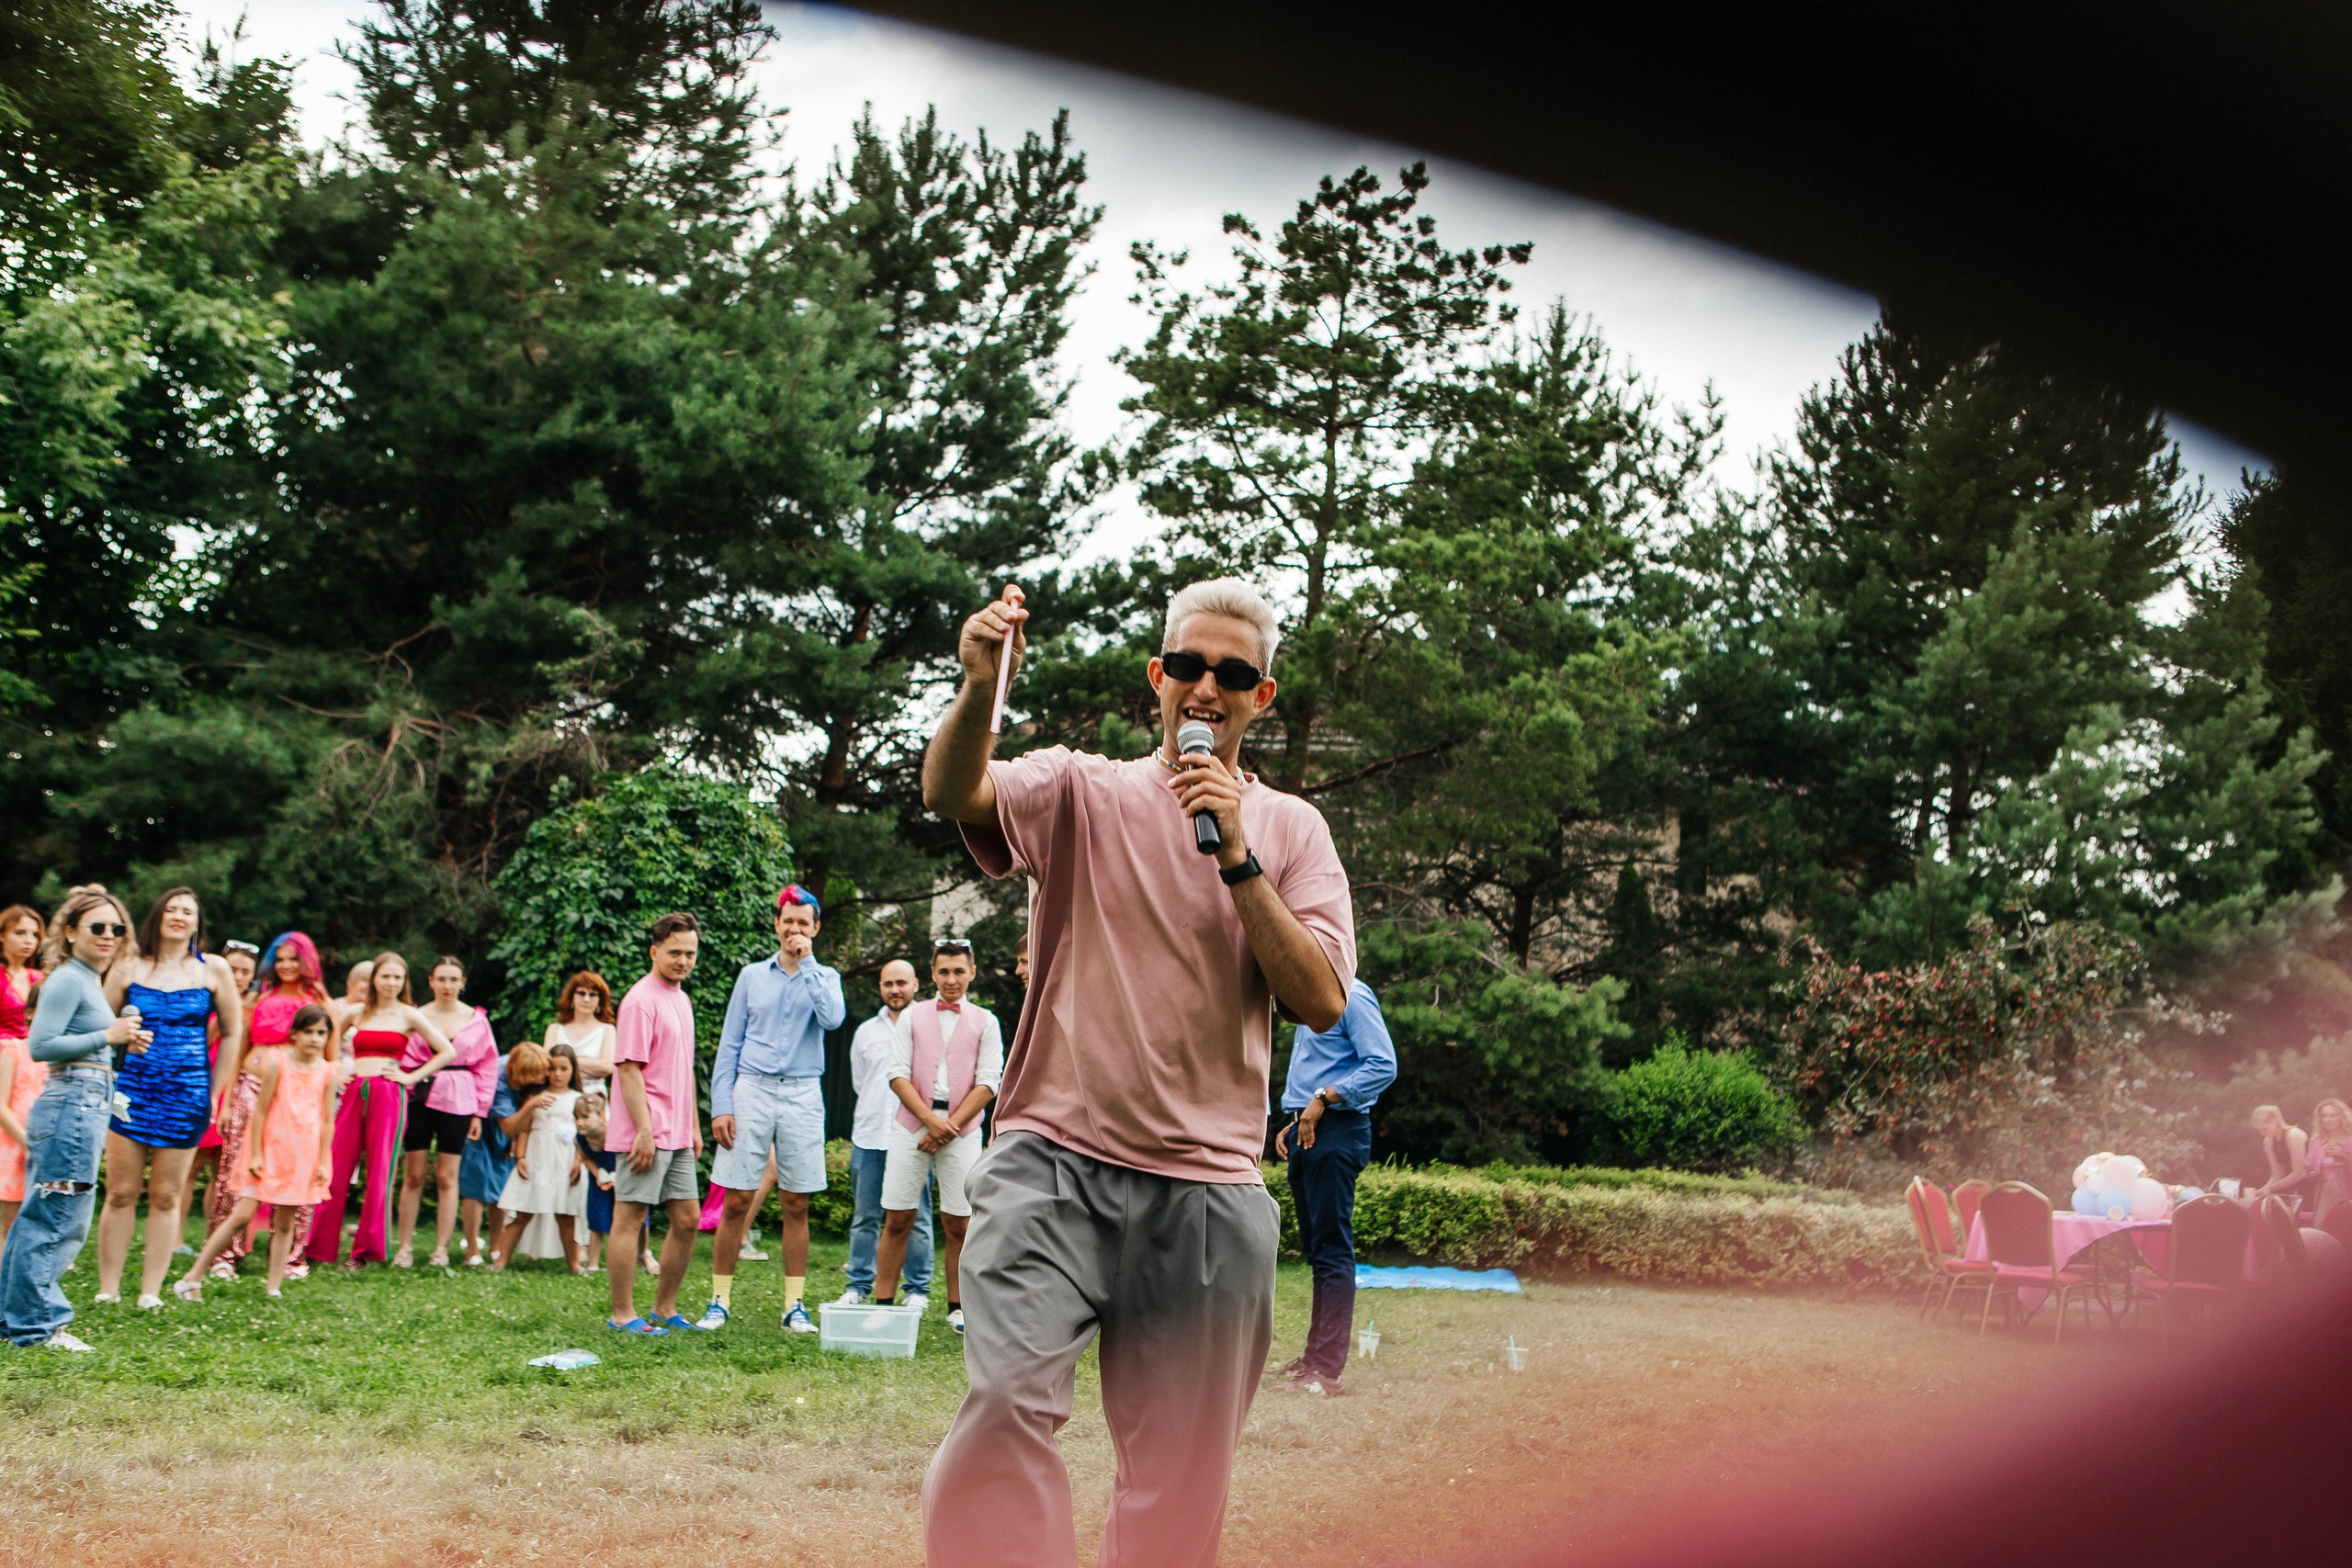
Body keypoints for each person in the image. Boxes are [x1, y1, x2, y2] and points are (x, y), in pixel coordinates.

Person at [919, 578, 1355, 1568]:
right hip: (1051, 1169)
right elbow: (954, 791)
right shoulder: (1081, 788)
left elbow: (1323, 1000)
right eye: (1190, 666)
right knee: (1000, 1412)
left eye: (1232, 673)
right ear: (1157, 678)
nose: (1208, 687)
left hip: (1207, 1197)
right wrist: (976, 689)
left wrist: (1238, 857)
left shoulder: (1293, 833)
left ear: (1261, 696)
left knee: (1178, 1486)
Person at [1, 886, 149, 1351]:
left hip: (84, 1100)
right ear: (69, 932)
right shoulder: (68, 978)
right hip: (70, 1104)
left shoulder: (87, 980)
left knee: (48, 1214)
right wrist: (107, 1033)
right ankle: (36, 1328)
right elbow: (41, 1046)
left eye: (117, 928)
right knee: (57, 1215)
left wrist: (116, 1042)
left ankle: (16, 1321)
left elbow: (81, 1043)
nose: (109, 935)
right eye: (97, 927)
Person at [699, 886, 844, 1334]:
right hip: (752, 1090)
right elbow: (730, 1045)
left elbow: (833, 1019)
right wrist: (722, 1105)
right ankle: (719, 1301)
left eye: (803, 923)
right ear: (777, 924)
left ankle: (793, 1306)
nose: (794, 929)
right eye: (788, 921)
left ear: (815, 928)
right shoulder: (751, 976)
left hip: (802, 1092)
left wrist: (810, 966)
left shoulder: (826, 976)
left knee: (795, 1202)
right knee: (738, 1198)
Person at [96, 887, 245, 1308]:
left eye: (188, 911)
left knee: (166, 1194)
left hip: (187, 1094)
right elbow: (100, 1027)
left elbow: (234, 1033)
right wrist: (116, 1052)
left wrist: (217, 1093)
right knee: (121, 1192)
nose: (179, 916)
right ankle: (108, 1289)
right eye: (172, 910)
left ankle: (150, 1292)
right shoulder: (127, 967)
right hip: (129, 1091)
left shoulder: (213, 969)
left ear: (197, 923)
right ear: (158, 917)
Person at [1266, 979, 1396, 1396]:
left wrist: (1323, 1097)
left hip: (1338, 1130)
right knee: (1319, 1253)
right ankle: (1313, 1359)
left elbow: (1382, 1064)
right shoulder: (1313, 997)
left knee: (1333, 1250)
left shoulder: (1351, 996)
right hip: (1312, 1131)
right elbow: (1320, 1067)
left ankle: (1326, 1372)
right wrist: (1297, 1118)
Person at [871, 939, 1002, 1334]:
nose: (951, 979)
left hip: (961, 1130)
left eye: (959, 971)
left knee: (959, 1222)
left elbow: (989, 1081)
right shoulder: (912, 1017)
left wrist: (949, 1128)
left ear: (972, 973)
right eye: (944, 971)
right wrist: (929, 1121)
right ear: (932, 975)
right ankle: (883, 1303)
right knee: (898, 1216)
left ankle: (957, 1307)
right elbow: (897, 1074)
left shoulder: (986, 1021)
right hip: (912, 1125)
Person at [175, 1004, 340, 1302]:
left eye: (321, 1033)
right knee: (241, 1215)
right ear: (294, 1035)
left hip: (303, 1154)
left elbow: (327, 1120)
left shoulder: (329, 1071)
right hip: (270, 1151)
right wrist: (257, 1155)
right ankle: (192, 1276)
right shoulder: (278, 1063)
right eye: (309, 1032)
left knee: (286, 1221)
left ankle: (273, 1286)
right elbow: (261, 1112)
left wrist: (323, 1160)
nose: (315, 1039)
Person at [308, 953, 451, 1269]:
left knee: (380, 1173)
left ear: (404, 982)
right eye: (385, 976)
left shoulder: (409, 1015)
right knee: (336, 1167)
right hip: (355, 1089)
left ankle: (363, 1253)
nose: (391, 983)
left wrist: (412, 1077)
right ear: (374, 979)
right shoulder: (357, 1012)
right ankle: (316, 1248)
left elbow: (447, 1050)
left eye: (397, 978)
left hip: (389, 1094)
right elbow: (322, 1038)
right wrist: (335, 1069)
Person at [605, 912, 706, 1335]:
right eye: (675, 952)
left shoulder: (680, 998)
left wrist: (694, 1126)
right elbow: (629, 1070)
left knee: (688, 1219)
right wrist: (644, 1130)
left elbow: (682, 1069)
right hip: (645, 1130)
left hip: (678, 1131)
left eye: (690, 953)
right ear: (654, 951)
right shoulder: (640, 1000)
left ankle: (664, 1309)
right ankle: (622, 1315)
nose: (683, 961)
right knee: (630, 1216)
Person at [209, 933, 333, 1277]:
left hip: (299, 1097)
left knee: (299, 1174)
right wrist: (226, 1104)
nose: (287, 966)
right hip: (249, 1088)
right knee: (237, 1171)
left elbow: (330, 1063)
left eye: (294, 959)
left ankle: (291, 1257)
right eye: (280, 959)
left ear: (308, 961)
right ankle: (226, 1255)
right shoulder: (258, 998)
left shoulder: (320, 1003)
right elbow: (236, 1052)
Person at [394, 956, 500, 1268]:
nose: (447, 985)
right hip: (420, 1096)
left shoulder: (476, 1020)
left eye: (454, 979)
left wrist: (480, 1112)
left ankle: (441, 1248)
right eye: (441, 979)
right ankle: (404, 1247)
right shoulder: (414, 1016)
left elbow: (487, 1066)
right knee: (413, 1175)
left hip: (460, 1098)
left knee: (447, 1177)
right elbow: (401, 1056)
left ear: (462, 982)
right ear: (430, 981)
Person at [839, 957, 933, 1307]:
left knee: (917, 1216)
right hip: (870, 1138)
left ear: (915, 985)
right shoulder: (865, 1032)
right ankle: (858, 1285)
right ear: (880, 987)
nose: (895, 990)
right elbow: (860, 1083)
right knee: (865, 1217)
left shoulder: (928, 1027)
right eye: (888, 983)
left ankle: (918, 1289)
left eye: (901, 983)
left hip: (912, 1138)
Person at [492, 1042, 585, 1269]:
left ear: (573, 1070)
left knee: (566, 1215)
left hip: (564, 1162)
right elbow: (524, 1128)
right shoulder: (535, 1097)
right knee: (522, 1213)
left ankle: (574, 1264)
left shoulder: (578, 1099)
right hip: (537, 1160)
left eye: (564, 1069)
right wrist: (521, 1157)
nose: (556, 1074)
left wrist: (578, 1160)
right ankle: (500, 1261)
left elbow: (584, 1135)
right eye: (552, 1069)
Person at [0, 905, 48, 1265]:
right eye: (20, 933)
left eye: (34, 934)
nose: (28, 941)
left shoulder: (39, 979)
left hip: (34, 1063)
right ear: (2, 934)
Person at [543, 971, 616, 1100]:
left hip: (593, 1100)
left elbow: (607, 1067)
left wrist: (565, 1064)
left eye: (593, 995)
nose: (586, 999)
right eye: (581, 993)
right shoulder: (555, 1029)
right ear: (572, 997)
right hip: (557, 1097)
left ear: (600, 1001)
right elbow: (546, 1064)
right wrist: (590, 1067)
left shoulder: (607, 1030)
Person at [576, 1092, 618, 1272]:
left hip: (622, 1179)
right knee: (597, 1220)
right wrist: (599, 1177)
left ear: (601, 1115)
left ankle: (640, 1255)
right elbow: (585, 1159)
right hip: (598, 1181)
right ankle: (593, 1264)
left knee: (628, 1221)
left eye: (585, 1117)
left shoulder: (614, 1132)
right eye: (576, 1117)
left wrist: (617, 1179)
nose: (579, 1122)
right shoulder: (580, 1138)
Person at [2308, 1098, 2352, 1221]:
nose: (2328, 1119)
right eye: (2324, 1116)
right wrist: (2310, 1173)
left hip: (2346, 1190)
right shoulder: (2316, 1141)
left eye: (2333, 1115)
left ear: (2342, 1117)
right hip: (2324, 1191)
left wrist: (2346, 1157)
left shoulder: (2350, 1140)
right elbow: (2307, 1167)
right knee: (2322, 1224)